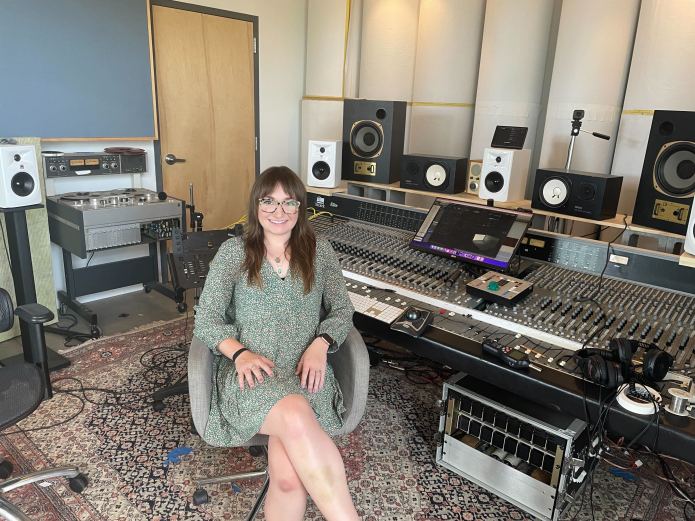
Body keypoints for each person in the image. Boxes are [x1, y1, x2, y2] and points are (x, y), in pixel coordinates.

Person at [193, 166, 360, 521]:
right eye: (269, 201)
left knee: (287, 480)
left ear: (300, 208)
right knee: (296, 415)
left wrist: (321, 344)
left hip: (305, 373)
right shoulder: (233, 253)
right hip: (252, 375)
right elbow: (205, 318)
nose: (278, 211)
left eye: (289, 202)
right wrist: (239, 353)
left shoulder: (320, 251)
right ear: (256, 206)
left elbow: (343, 310)